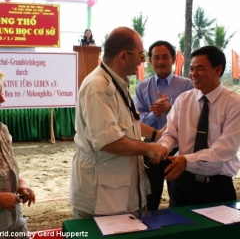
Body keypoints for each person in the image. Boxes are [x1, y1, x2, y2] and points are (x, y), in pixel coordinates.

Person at [69, 27, 164, 219]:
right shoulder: (97, 86)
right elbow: (109, 141)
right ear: (123, 57)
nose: (143, 60)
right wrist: (149, 149)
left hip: (119, 190)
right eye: (141, 55)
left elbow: (131, 121)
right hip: (101, 199)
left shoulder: (118, 81)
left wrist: (156, 135)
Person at [156, 45, 240, 207]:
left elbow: (225, 149)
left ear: (218, 70)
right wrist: (163, 148)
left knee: (217, 232)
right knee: (179, 230)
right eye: (192, 69)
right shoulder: (183, 100)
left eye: (200, 69)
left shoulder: (234, 104)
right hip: (182, 183)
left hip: (217, 186)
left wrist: (187, 160)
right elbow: (170, 134)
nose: (193, 74)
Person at [134, 40, 193, 210]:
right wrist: (155, 113)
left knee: (180, 196)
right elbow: (137, 121)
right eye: (156, 58)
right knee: (150, 197)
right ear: (150, 61)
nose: (160, 61)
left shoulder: (187, 85)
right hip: (151, 147)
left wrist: (171, 107)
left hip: (179, 148)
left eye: (165, 57)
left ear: (173, 59)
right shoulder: (141, 87)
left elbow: (192, 116)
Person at [0, 71, 35, 238]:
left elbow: (8, 169)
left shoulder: (3, 130)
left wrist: (21, 183)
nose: (2, 99)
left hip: (13, 222)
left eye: (2, 92)